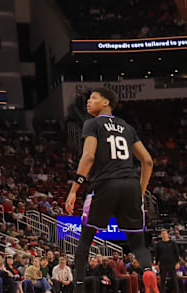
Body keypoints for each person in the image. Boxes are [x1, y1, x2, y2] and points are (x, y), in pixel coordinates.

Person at [65, 87, 158, 293]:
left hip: (105, 184)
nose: (88, 102)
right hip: (131, 184)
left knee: (85, 242)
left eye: (94, 98)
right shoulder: (127, 127)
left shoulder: (92, 124)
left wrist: (74, 189)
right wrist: (140, 192)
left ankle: (78, 289)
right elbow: (148, 161)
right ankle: (148, 270)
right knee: (138, 244)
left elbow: (88, 157)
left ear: (106, 102)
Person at [156, 228, 181, 293]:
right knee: (162, 280)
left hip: (172, 264)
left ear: (168, 234)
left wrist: (177, 262)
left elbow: (177, 253)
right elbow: (157, 255)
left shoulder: (173, 243)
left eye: (164, 233)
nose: (163, 235)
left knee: (174, 280)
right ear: (161, 235)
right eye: (162, 233)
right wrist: (156, 264)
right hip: (162, 264)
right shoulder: (159, 244)